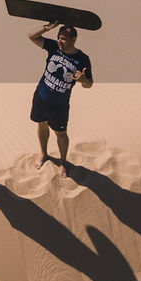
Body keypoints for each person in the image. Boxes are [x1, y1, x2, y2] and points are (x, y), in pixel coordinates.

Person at [28, 22, 93, 173]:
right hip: (41, 97)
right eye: (58, 37)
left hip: (59, 105)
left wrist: (83, 80)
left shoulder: (82, 59)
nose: (59, 41)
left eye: (63, 38)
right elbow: (31, 36)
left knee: (61, 134)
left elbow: (89, 84)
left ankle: (63, 162)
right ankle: (44, 154)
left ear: (73, 39)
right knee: (41, 125)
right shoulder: (54, 47)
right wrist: (48, 27)